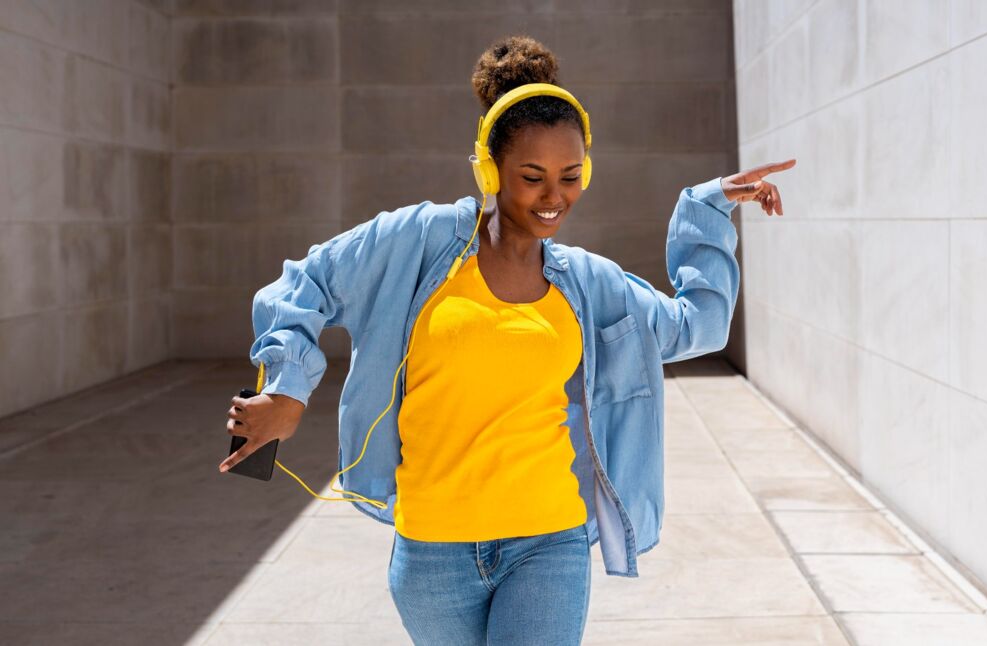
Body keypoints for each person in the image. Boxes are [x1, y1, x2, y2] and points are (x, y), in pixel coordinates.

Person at [220, 34, 793, 645]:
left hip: (549, 541)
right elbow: (304, 284)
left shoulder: (588, 284)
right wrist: (288, 389)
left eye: (571, 176)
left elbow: (694, 326)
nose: (555, 197)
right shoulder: (420, 242)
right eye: (533, 177)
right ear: (490, 169)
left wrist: (706, 213)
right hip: (432, 551)